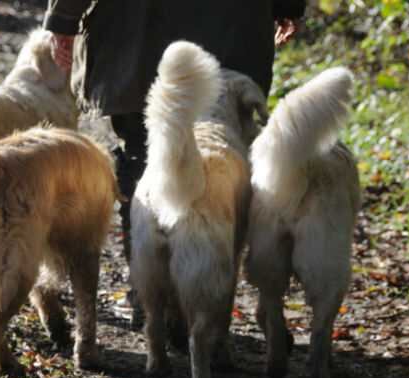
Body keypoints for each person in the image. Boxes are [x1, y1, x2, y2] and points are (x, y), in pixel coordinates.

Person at [43, 1, 306, 324]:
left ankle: (149, 296)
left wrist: (63, 18)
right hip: (232, 29)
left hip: (139, 35)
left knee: (145, 153)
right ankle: (197, 303)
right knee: (220, 158)